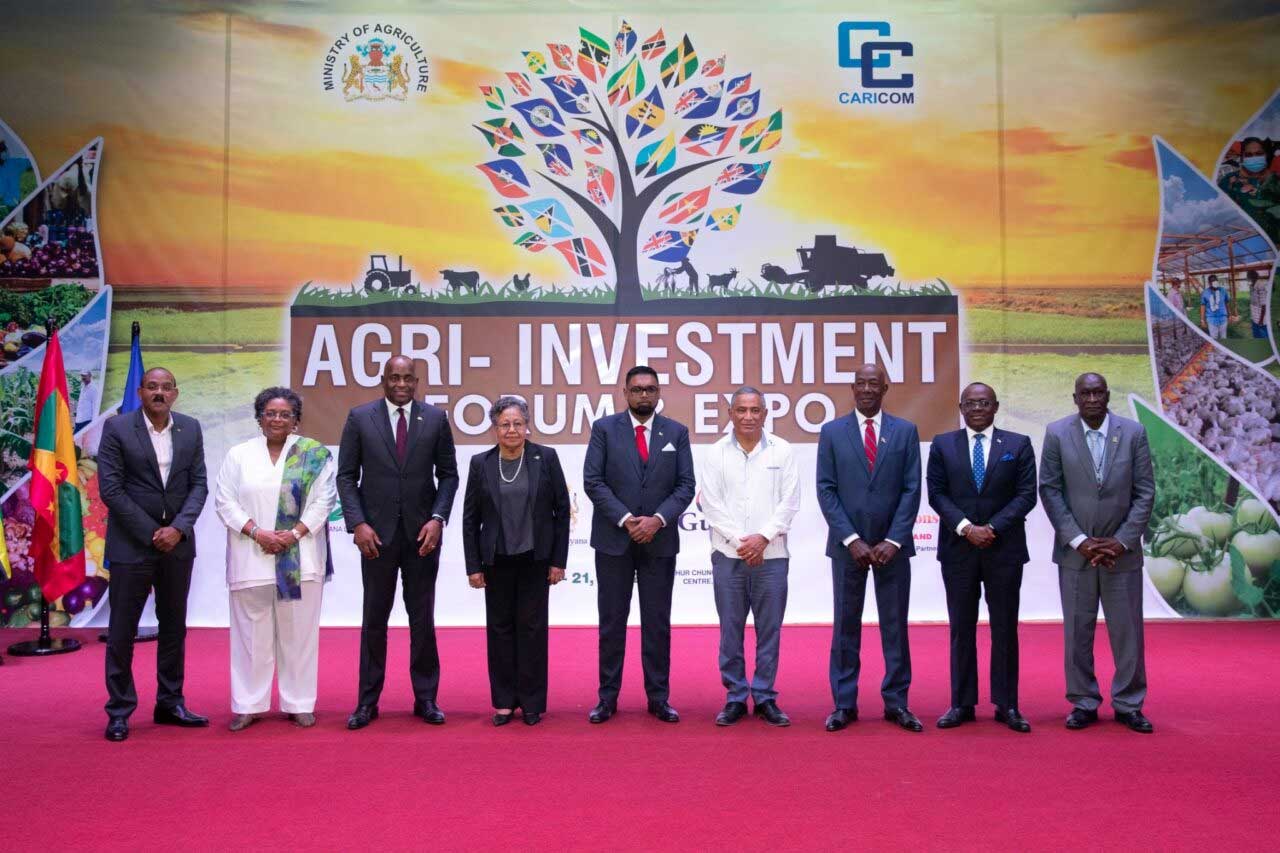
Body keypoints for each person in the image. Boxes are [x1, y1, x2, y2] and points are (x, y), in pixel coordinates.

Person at [337, 355, 459, 729]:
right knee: (374, 620)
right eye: (395, 377)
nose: (401, 384)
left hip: (422, 538)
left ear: (417, 380)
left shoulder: (436, 419)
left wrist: (438, 519)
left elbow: (449, 476)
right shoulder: (360, 418)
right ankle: (367, 703)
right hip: (376, 538)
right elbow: (345, 477)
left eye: (408, 378)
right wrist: (357, 524)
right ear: (383, 380)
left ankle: (426, 699)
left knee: (422, 620)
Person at [1039, 373, 1155, 733]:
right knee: (1077, 631)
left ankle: (1129, 703)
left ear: (1107, 395)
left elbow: (1145, 492)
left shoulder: (1133, 433)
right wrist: (1079, 540)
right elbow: (1050, 490)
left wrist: (1121, 541)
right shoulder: (1058, 433)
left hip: (1122, 553)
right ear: (1075, 398)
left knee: (1128, 633)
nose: (1091, 398)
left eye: (1098, 392)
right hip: (1076, 554)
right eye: (1084, 393)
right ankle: (1083, 701)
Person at [214, 387, 336, 731]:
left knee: (299, 635)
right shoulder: (239, 455)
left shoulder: (314, 455)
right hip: (250, 556)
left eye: (285, 414)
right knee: (251, 637)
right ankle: (248, 704)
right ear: (259, 418)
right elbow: (225, 501)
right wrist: (258, 533)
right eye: (270, 413)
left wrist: (293, 534)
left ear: (296, 420)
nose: (277, 420)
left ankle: (299, 703)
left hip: (301, 559)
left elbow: (323, 502)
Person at [97, 367, 209, 742]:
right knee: (122, 630)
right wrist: (151, 533)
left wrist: (177, 528)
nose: (159, 393)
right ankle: (119, 710)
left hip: (178, 544)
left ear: (175, 393)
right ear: (141, 392)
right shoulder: (117, 429)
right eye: (152, 387)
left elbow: (199, 485)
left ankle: (170, 702)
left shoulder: (190, 428)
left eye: (166, 388)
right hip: (132, 544)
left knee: (174, 626)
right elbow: (111, 491)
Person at [582, 365, 695, 724]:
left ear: (658, 393)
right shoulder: (604, 429)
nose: (644, 395)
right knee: (612, 622)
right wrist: (627, 520)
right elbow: (593, 481)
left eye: (650, 389)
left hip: (659, 542)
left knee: (657, 623)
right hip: (614, 539)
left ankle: (659, 698)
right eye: (637, 389)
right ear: (625, 393)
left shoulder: (676, 432)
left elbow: (685, 485)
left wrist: (657, 520)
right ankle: (607, 698)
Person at [926, 383, 1037, 733]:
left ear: (995, 407)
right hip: (959, 550)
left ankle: (1007, 704)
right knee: (961, 629)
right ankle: (962, 703)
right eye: (971, 403)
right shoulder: (943, 445)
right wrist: (965, 528)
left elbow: (1025, 496)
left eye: (984, 403)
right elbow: (937, 494)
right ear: (960, 407)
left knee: (1005, 628)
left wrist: (991, 527)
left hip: (1003, 549)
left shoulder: (1018, 445)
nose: (977, 408)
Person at [817, 364, 923, 733]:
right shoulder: (831, 432)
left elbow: (912, 490)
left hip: (892, 549)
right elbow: (826, 490)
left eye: (873, 384)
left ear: (885, 388)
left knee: (895, 627)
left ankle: (897, 703)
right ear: (852, 388)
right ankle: (844, 704)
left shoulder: (906, 432)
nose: (866, 389)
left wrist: (894, 540)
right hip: (849, 549)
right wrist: (852, 539)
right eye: (860, 383)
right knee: (845, 628)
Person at [462, 397, 570, 727]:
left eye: (517, 424)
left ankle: (533, 702)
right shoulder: (480, 463)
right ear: (495, 429)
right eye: (505, 424)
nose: (512, 430)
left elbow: (562, 511)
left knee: (533, 630)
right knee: (500, 630)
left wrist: (558, 560)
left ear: (527, 427)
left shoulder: (545, 458)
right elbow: (470, 519)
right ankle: (504, 702)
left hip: (535, 559)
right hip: (496, 560)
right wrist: (473, 566)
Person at [698, 386, 800, 727]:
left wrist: (763, 538)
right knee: (731, 630)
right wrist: (742, 542)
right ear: (730, 414)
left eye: (755, 410)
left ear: (765, 414)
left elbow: (790, 502)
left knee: (769, 630)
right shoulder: (714, 454)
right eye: (741, 410)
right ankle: (736, 696)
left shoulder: (783, 451)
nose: (748, 417)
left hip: (772, 557)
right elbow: (710, 504)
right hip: (728, 555)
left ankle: (766, 696)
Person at [1218, 137, 1280, 244]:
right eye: (1249, 155)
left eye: (1259, 153)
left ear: (1266, 156)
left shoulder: (1276, 181)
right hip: (1245, 240)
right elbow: (1222, 209)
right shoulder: (1228, 180)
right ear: (1242, 157)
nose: (1254, 158)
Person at [1200, 274, 1228, 340]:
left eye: (1216, 281)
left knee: (1223, 338)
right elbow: (1203, 306)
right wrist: (1202, 320)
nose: (1215, 282)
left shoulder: (1223, 291)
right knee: (1214, 339)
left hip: (1223, 318)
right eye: (1213, 281)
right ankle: (1215, 350)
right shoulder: (1205, 293)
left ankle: (1222, 350)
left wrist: (1229, 315)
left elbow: (1226, 302)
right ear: (1209, 283)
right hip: (1211, 319)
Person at [1247, 269, 1268, 338]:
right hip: (1254, 318)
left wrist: (1261, 320)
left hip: (1261, 320)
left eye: (1248, 277)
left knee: (1262, 338)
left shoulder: (1260, 286)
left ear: (1254, 277)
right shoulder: (1252, 286)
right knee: (1256, 337)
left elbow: (1264, 305)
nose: (1248, 279)